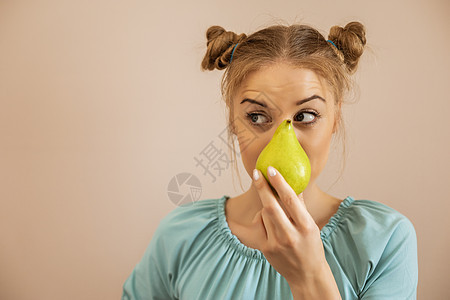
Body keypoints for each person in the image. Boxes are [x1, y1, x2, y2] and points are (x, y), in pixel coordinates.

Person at [122, 21, 418, 300]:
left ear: (336, 118)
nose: (281, 138)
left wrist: (309, 276)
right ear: (233, 120)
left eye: (305, 116)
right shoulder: (180, 236)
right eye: (258, 117)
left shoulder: (385, 241)